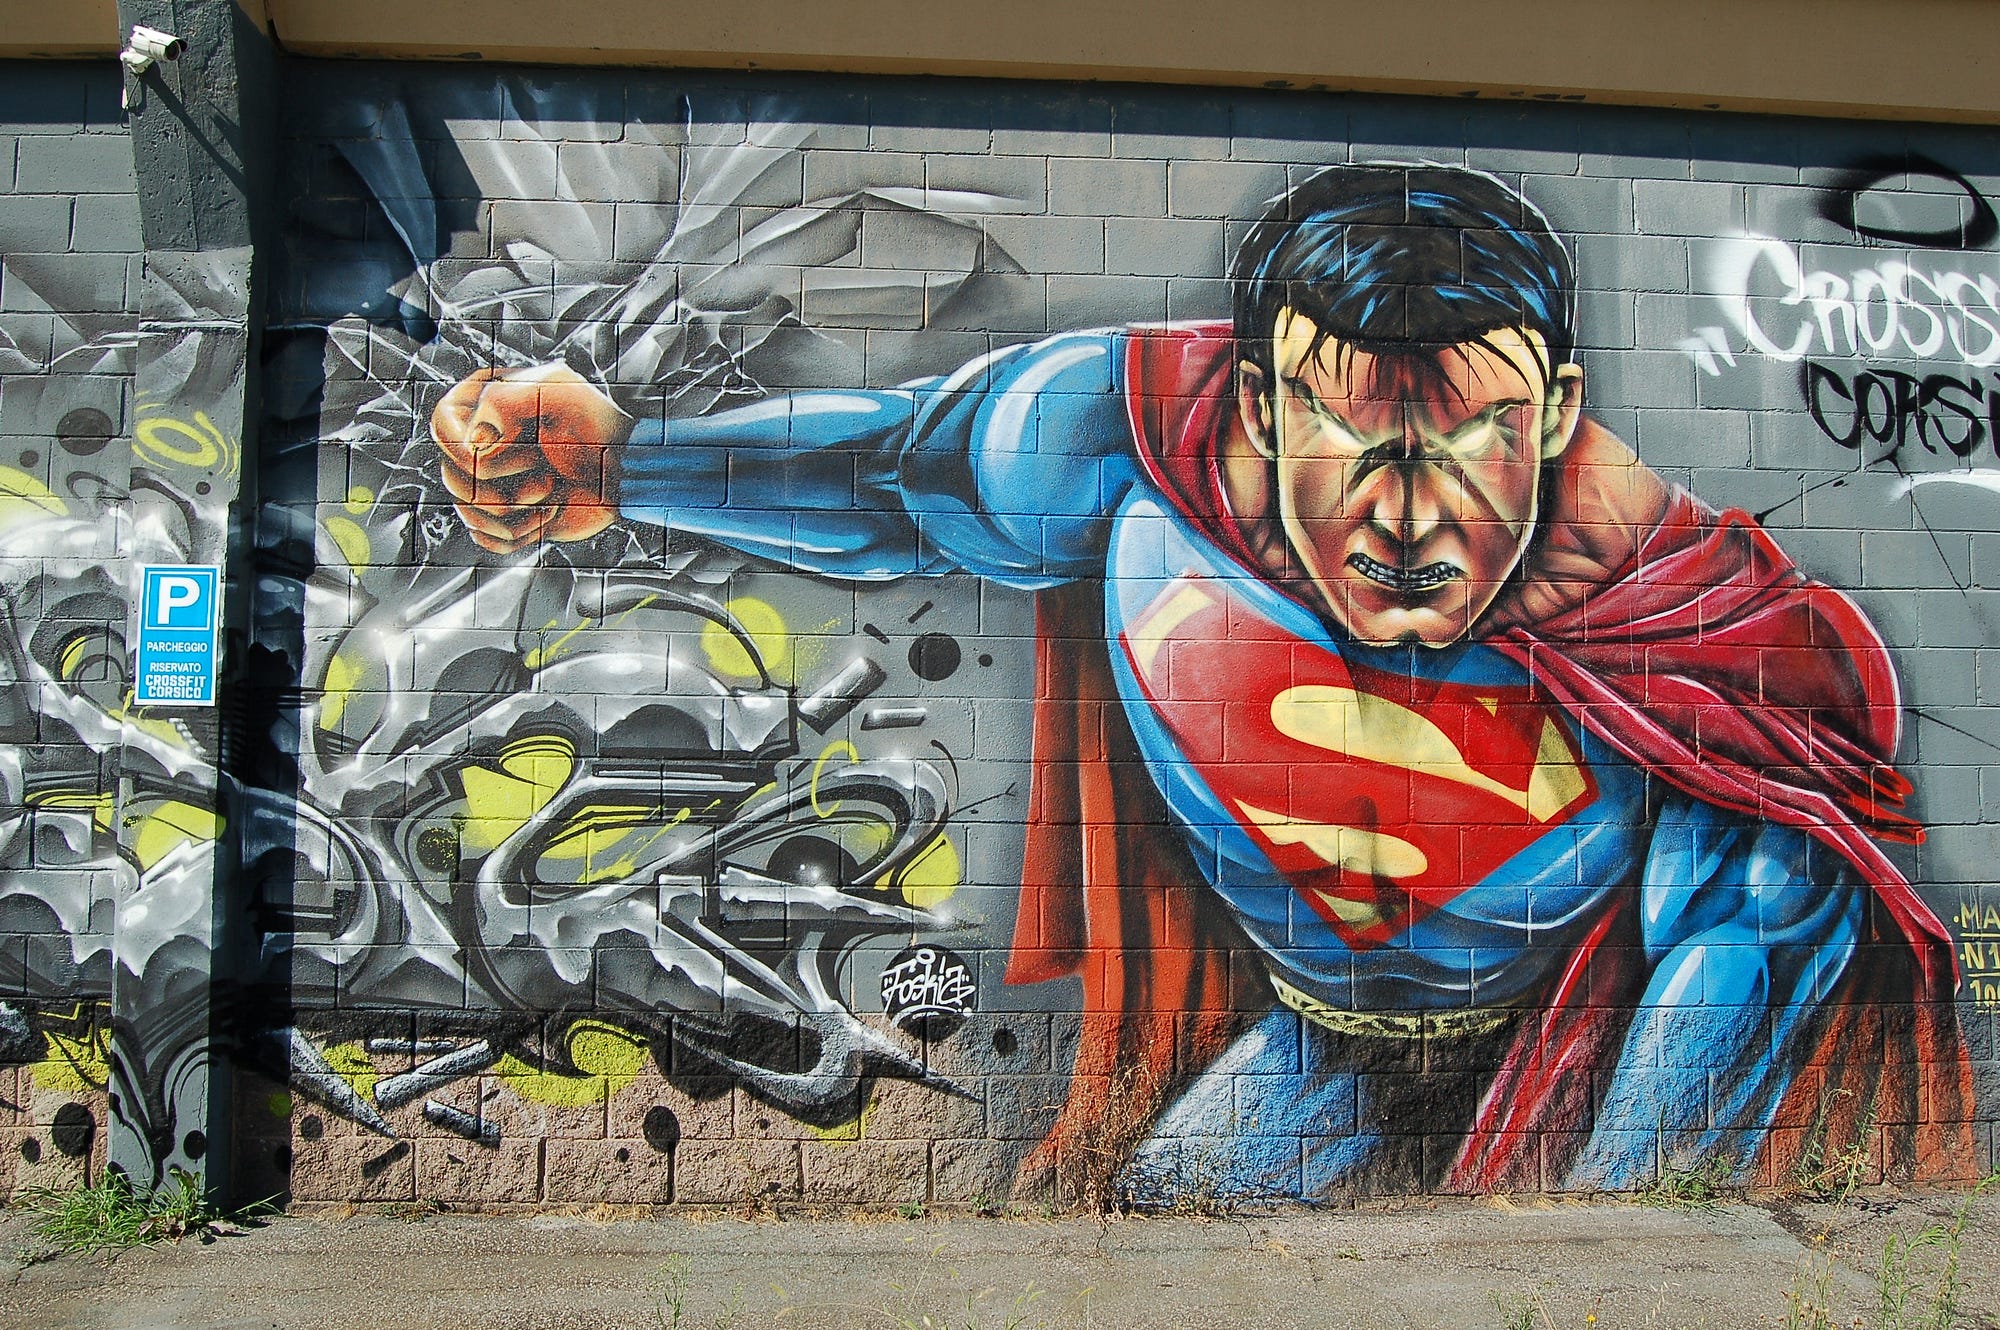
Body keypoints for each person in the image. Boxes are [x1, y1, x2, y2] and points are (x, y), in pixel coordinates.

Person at [430, 163, 1972, 1201]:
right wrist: (627, 463)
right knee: (1162, 1207)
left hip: (1566, 1030)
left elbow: (1755, 924)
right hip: (1323, 1036)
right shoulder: (1115, 447)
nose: (1409, 513)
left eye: (1473, 437)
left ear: (1558, 412)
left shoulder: (1689, 611)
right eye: (1352, 435)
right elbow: (887, 474)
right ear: (1259, 403)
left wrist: (1601, 1237)